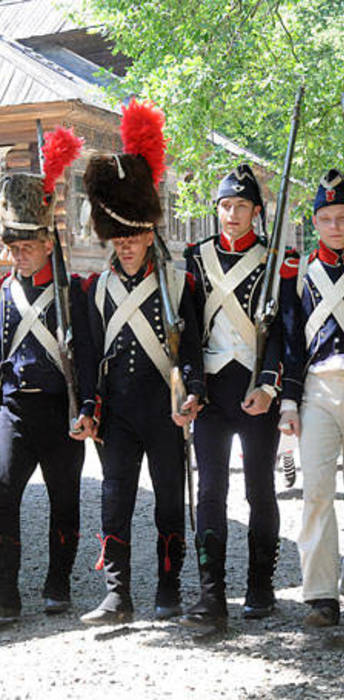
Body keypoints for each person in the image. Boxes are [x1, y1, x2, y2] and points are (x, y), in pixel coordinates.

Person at [79, 101, 203, 625]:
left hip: (163, 407)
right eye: (118, 240)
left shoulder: (179, 283)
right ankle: (116, 593)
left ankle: (169, 589)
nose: (125, 248)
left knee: (170, 501)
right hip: (118, 411)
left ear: (150, 233)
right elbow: (87, 355)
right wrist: (87, 406)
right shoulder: (97, 289)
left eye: (133, 239)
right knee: (115, 499)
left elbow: (193, 348)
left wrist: (192, 392)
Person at [0, 129, 96, 618]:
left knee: (64, 502)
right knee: (3, 497)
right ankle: (5, 594)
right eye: (11, 245)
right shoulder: (4, 291)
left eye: (25, 244)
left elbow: (84, 356)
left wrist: (87, 407)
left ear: (47, 241)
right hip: (16, 409)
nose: (17, 253)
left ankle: (58, 585)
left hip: (59, 409)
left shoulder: (72, 292)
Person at [180, 164, 284, 632]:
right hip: (213, 393)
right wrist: (194, 386)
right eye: (225, 206)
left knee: (260, 488)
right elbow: (185, 333)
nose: (232, 213)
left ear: (256, 213)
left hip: (256, 390)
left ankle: (261, 585)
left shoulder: (273, 259)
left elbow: (281, 332)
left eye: (241, 206)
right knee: (210, 491)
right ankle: (211, 592)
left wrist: (267, 385)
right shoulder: (195, 259)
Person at [279, 168, 344, 627]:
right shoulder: (301, 274)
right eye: (328, 218)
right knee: (317, 493)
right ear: (315, 221)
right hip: (318, 390)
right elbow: (290, 343)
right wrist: (288, 403)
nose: (336, 226)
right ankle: (321, 595)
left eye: (343, 217)